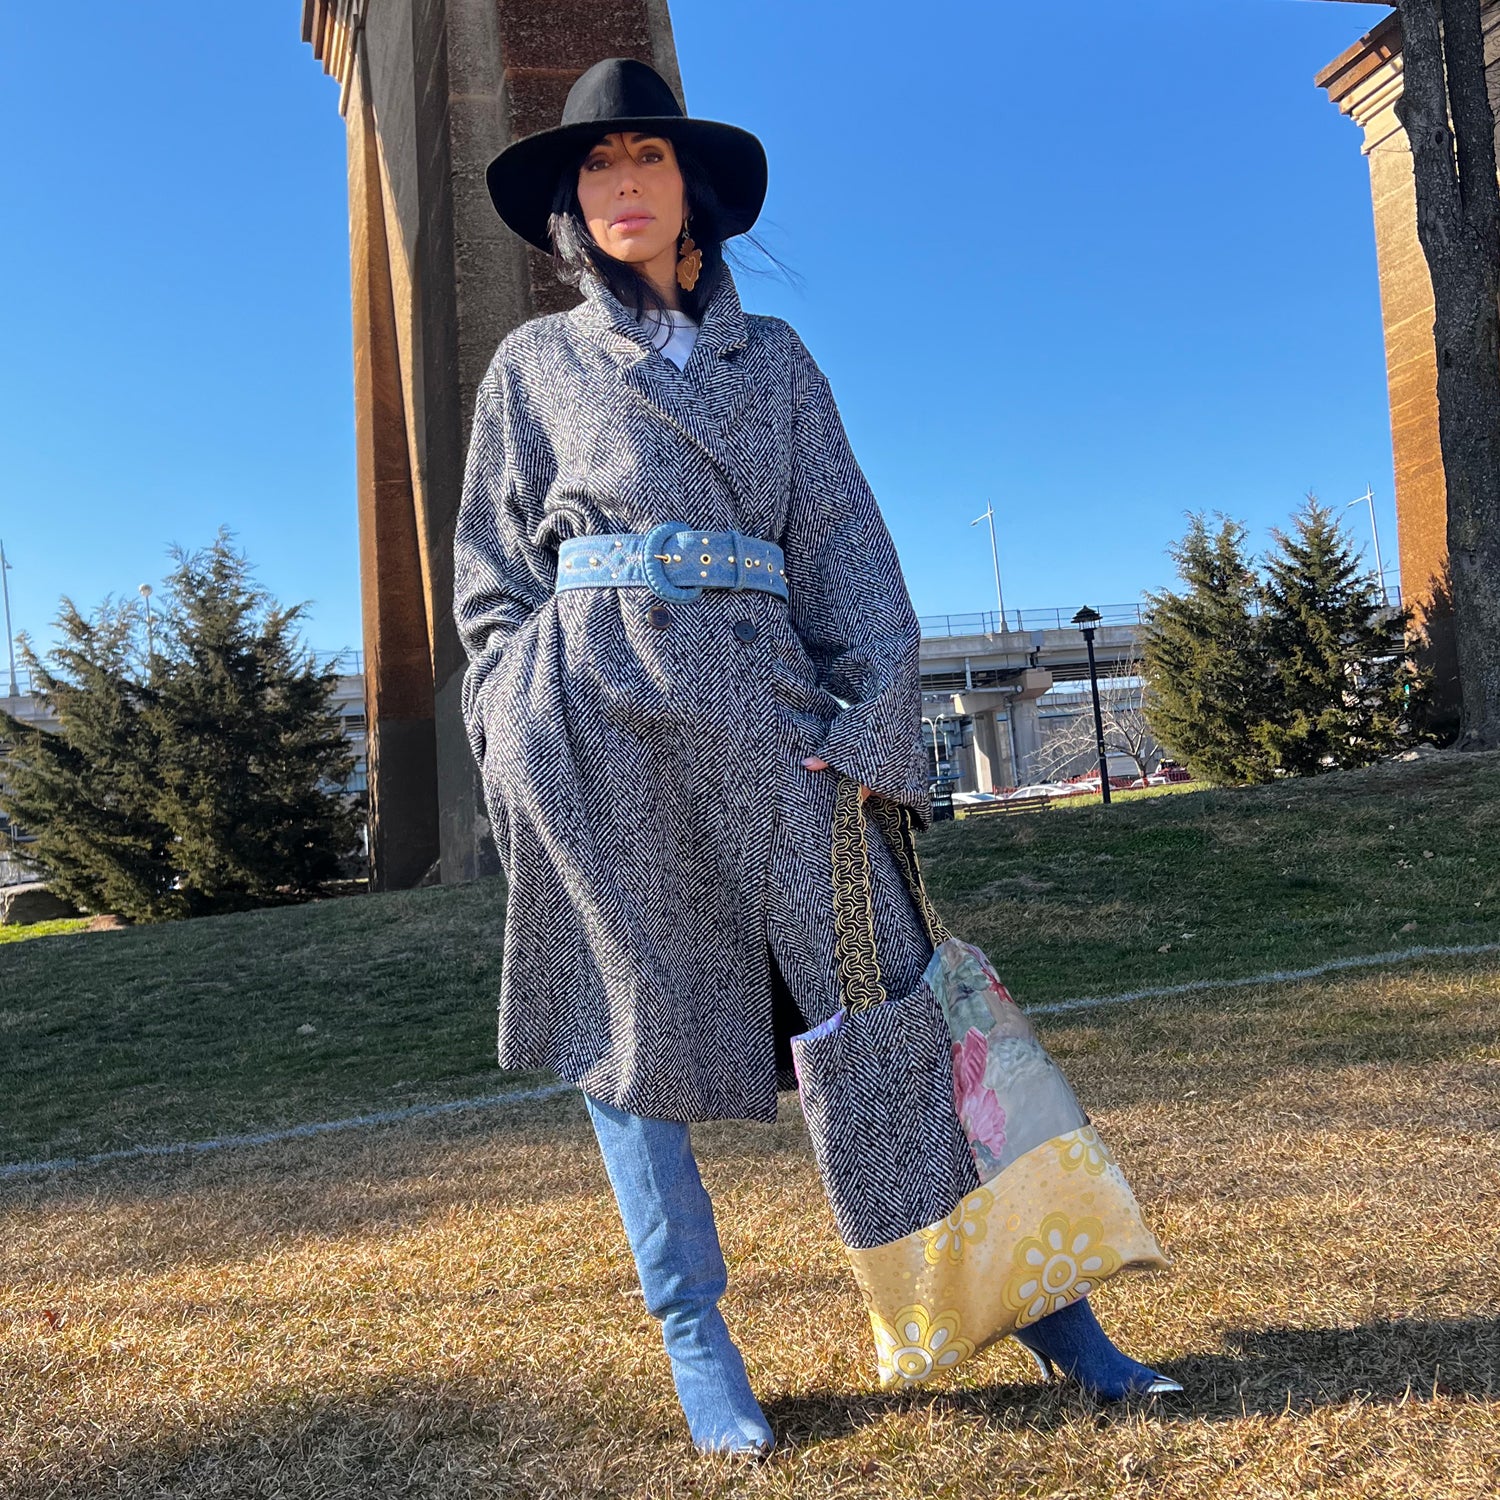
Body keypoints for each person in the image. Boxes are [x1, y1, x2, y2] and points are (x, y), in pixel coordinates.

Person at [454, 56, 1179, 1458]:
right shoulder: (533, 369)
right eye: (596, 168)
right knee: (630, 1036)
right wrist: (515, 709)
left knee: (900, 1012)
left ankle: (1053, 1317)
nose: (620, 186)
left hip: (778, 727)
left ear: (694, 192)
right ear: (570, 202)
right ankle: (696, 1340)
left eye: (645, 161)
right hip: (599, 732)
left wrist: (870, 723)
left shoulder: (775, 359)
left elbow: (844, 542)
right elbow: (491, 574)